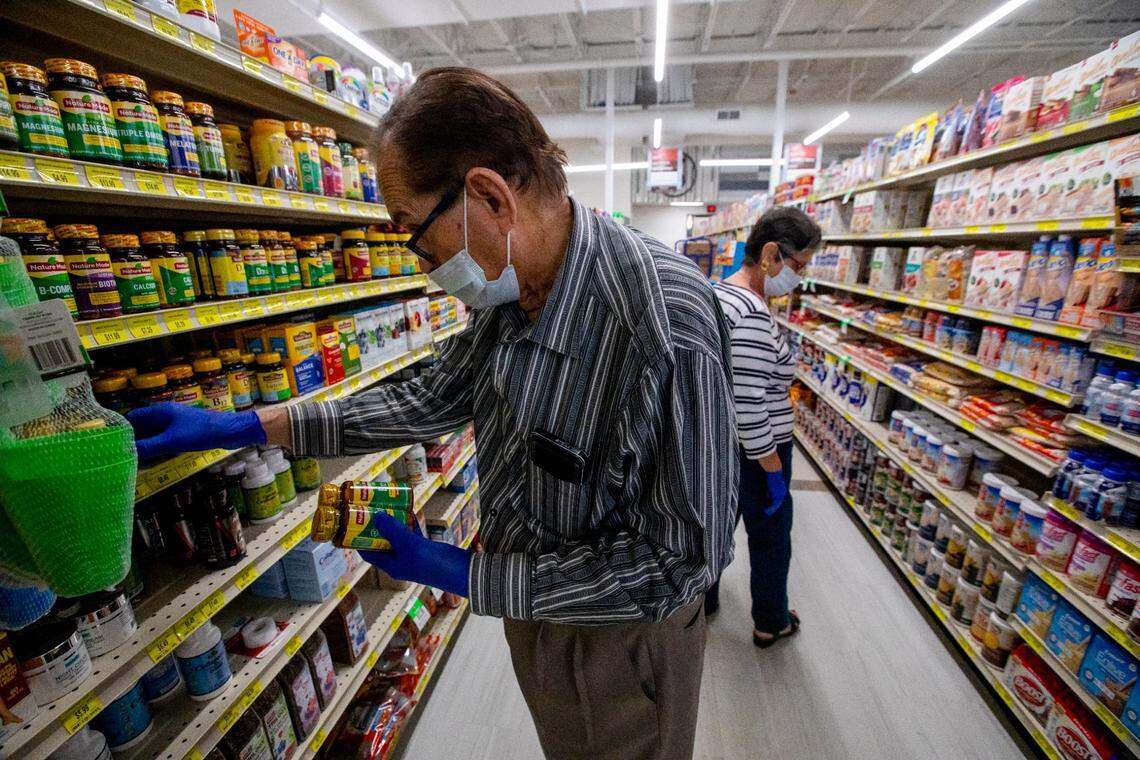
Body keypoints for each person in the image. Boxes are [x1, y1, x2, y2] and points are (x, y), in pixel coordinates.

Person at [128, 67, 739, 760]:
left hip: (624, 643)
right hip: (531, 608)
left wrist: (465, 575)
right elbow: (432, 395)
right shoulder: (509, 292)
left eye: (415, 233)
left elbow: (681, 562)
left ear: (488, 196)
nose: (423, 265)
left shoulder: (665, 326)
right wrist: (253, 426)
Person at [703, 206, 820, 648]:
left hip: (721, 446)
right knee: (771, 536)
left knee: (715, 525)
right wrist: (771, 467)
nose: (800, 278)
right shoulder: (751, 313)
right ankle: (771, 619)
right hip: (757, 451)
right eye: (798, 266)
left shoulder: (721, 294)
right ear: (770, 254)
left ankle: (703, 598)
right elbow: (748, 405)